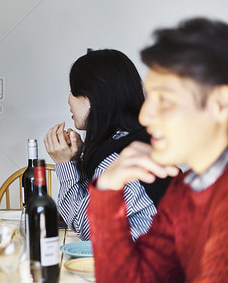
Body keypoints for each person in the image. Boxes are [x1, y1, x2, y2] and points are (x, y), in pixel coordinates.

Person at [87, 17, 228, 282]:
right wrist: (107, 190)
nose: (144, 116)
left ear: (220, 103)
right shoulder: (184, 190)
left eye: (163, 99)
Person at [44, 49, 171, 240]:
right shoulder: (128, 141)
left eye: (73, 91)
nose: (69, 99)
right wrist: (76, 160)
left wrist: (64, 165)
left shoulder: (121, 158)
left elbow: (89, 230)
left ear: (91, 99)